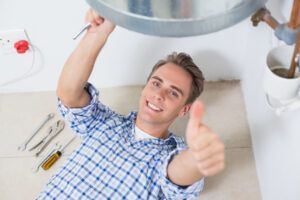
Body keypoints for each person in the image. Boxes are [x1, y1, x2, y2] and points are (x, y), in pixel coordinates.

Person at [37, 9, 225, 200]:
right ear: (145, 88)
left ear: (184, 109)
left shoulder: (173, 155)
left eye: (173, 92)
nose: (159, 95)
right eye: (156, 83)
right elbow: (69, 94)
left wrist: (196, 156)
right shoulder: (104, 122)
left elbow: (178, 176)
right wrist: (97, 34)